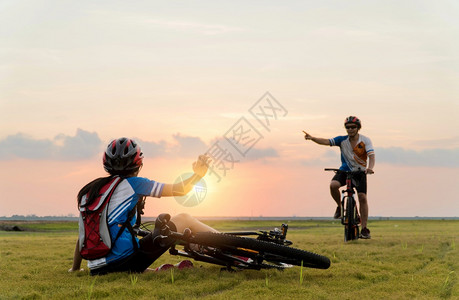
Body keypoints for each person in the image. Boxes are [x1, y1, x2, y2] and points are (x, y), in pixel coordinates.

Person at [69, 137, 216, 274]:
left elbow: (84, 233)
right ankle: (236, 247)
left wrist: (75, 269)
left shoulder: (89, 190)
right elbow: (181, 189)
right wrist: (198, 175)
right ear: (138, 164)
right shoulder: (134, 184)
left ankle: (158, 270)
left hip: (97, 269)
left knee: (135, 247)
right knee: (184, 219)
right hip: (126, 261)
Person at [303, 116, 375, 239]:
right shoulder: (342, 140)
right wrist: (312, 138)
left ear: (358, 128)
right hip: (345, 171)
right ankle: (340, 207)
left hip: (360, 172)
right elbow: (326, 141)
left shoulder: (365, 140)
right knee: (333, 185)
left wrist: (370, 168)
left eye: (353, 127)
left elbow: (371, 156)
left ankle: (364, 228)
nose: (350, 129)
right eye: (348, 127)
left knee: (362, 197)